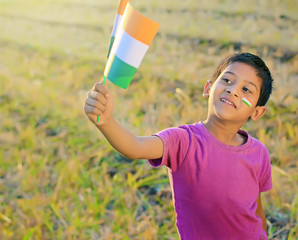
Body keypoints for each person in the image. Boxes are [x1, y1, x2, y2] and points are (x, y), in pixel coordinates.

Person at [84, 52, 273, 240]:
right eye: (227, 80)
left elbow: (256, 209)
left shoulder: (259, 153)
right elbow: (135, 146)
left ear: (257, 112)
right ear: (208, 88)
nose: (233, 90)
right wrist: (106, 122)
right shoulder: (183, 141)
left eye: (246, 89)